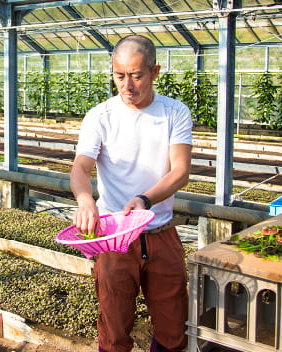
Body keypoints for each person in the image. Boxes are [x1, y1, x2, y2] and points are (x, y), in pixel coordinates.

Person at [70, 35, 192, 352]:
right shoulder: (100, 116)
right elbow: (80, 168)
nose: (127, 85)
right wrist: (85, 200)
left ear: (155, 72)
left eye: (136, 75)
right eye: (119, 75)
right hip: (114, 237)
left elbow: (180, 171)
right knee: (114, 327)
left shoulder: (174, 112)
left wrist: (144, 200)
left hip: (160, 231)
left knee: (173, 327)